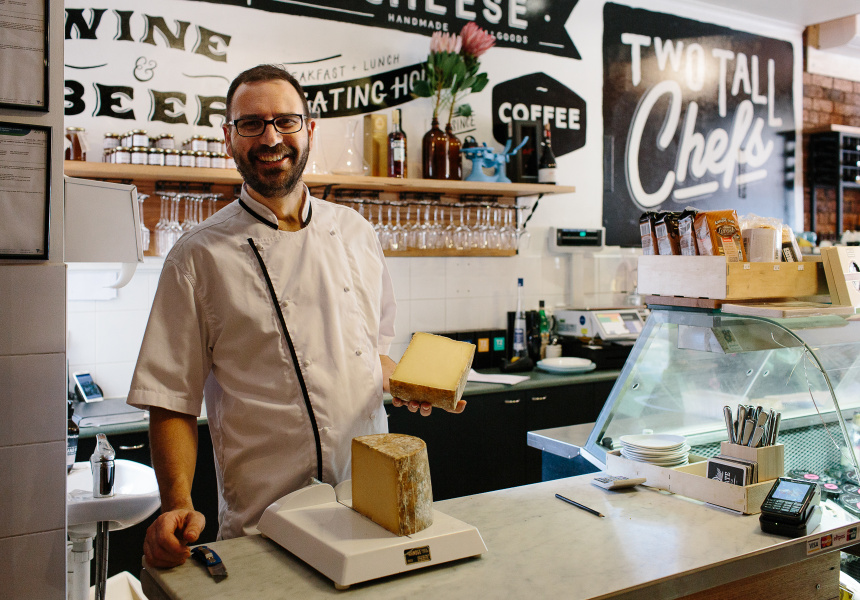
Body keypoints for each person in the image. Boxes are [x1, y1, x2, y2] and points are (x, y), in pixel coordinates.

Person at [128, 64, 464, 569]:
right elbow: (171, 397)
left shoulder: (356, 232)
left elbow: (372, 357)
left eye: (286, 121)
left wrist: (415, 387)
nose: (271, 137)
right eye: (251, 124)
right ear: (228, 138)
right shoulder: (197, 257)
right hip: (266, 523)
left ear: (309, 130)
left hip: (373, 506)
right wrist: (178, 502)